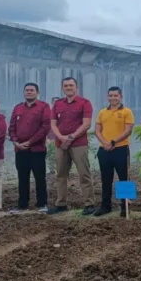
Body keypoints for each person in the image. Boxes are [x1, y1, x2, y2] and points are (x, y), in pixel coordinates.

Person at [50, 77, 95, 215]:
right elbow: (53, 124)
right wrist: (60, 137)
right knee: (60, 175)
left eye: (71, 85)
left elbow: (86, 124)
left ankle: (89, 204)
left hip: (79, 144)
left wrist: (71, 137)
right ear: (62, 88)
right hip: (60, 144)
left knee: (84, 174)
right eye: (66, 85)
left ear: (76, 87)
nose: (68, 87)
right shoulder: (57, 104)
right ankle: (61, 204)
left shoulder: (85, 103)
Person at [8, 83, 52, 213]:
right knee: (22, 178)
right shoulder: (17, 108)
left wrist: (30, 142)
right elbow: (11, 127)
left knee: (40, 177)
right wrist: (15, 141)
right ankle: (22, 205)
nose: (29, 92)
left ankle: (42, 204)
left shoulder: (44, 107)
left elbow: (45, 127)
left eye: (32, 90)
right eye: (26, 90)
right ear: (23, 92)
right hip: (20, 149)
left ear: (37, 93)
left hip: (37, 150)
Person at [93, 87, 135, 217]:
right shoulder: (102, 112)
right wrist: (105, 143)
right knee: (105, 179)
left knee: (124, 178)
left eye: (115, 95)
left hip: (121, 149)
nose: (113, 98)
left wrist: (113, 142)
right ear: (107, 97)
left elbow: (128, 131)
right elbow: (97, 130)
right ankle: (105, 206)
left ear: (120, 96)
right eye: (110, 95)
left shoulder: (127, 111)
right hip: (104, 149)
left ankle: (125, 207)